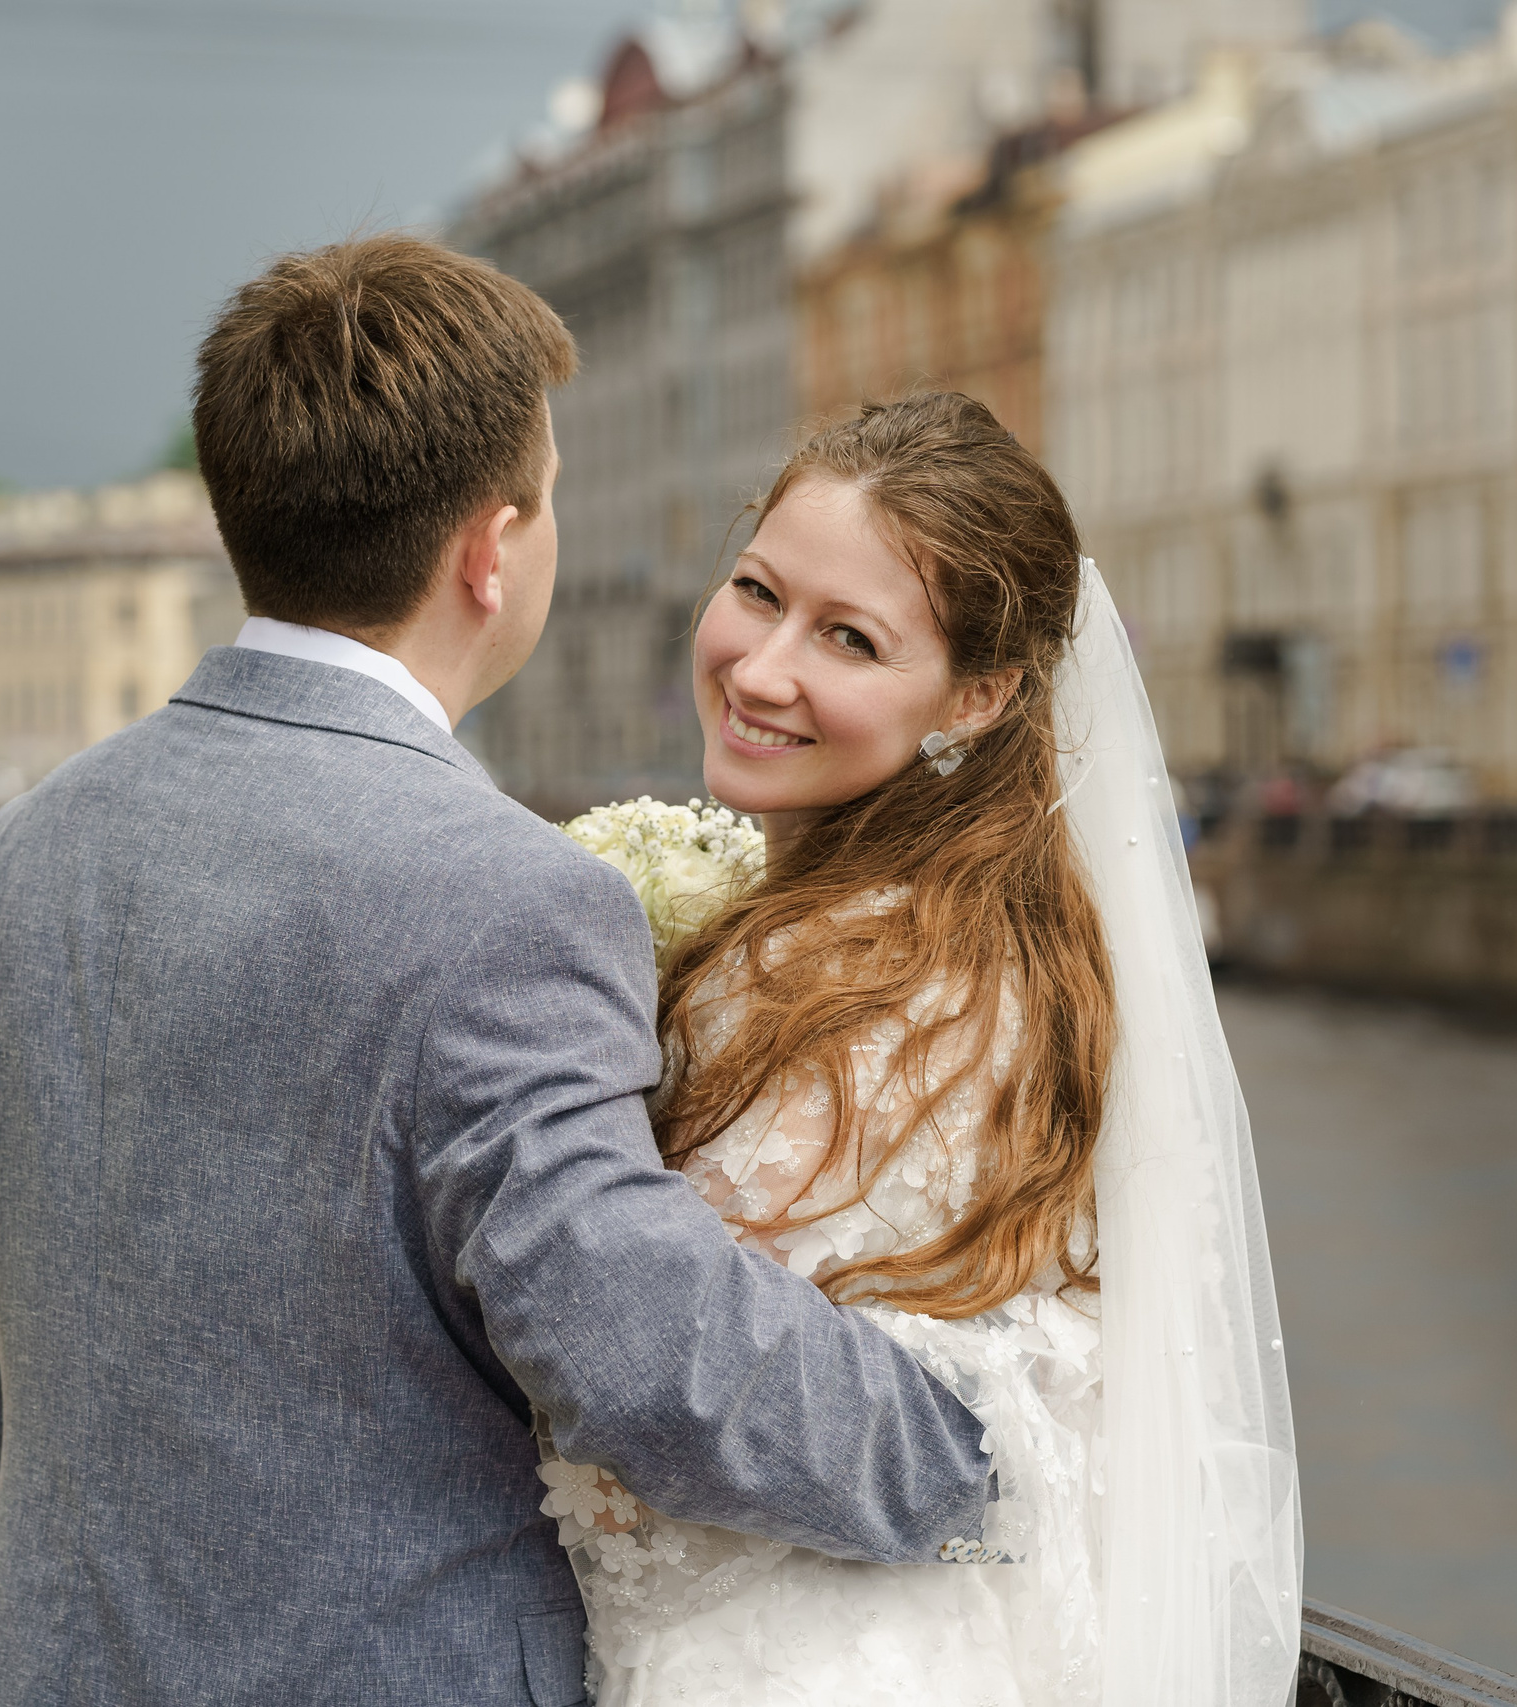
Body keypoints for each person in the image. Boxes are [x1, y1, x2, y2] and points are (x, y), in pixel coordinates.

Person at [0, 237, 997, 1707]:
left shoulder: (17, 855)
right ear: (491, 550)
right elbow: (646, 1358)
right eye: (546, 498)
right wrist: (977, 1458)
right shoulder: (506, 898)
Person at [537, 395, 1302, 1706]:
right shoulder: (998, 942)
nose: (764, 666)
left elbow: (666, 1366)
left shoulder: (853, 984)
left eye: (848, 638)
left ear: (981, 694)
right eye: (757, 591)